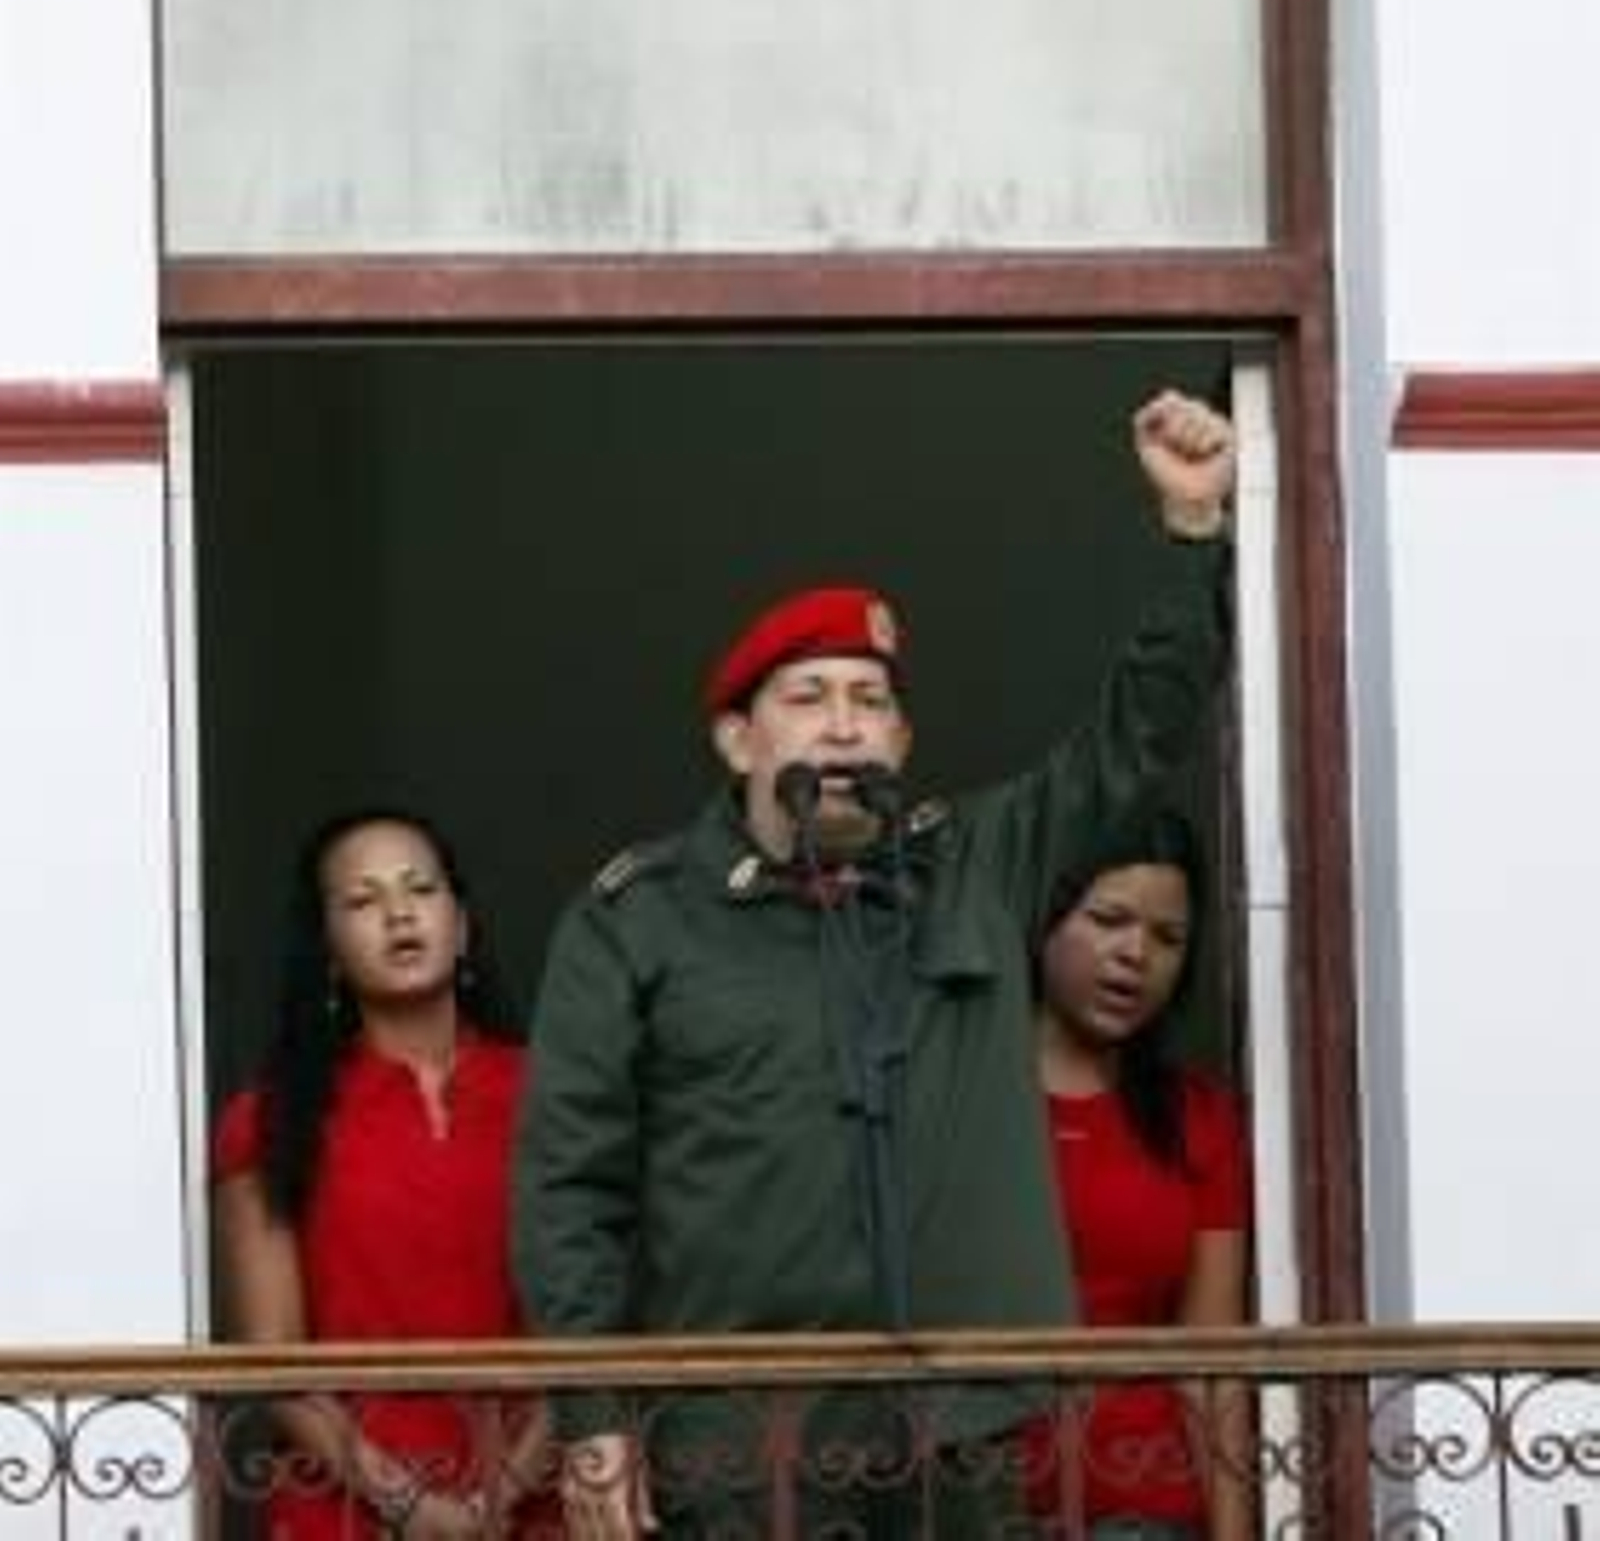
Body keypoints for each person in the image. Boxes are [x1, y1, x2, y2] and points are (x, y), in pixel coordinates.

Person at [514, 388, 1237, 1540]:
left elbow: (1137, 735)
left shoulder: (981, 864)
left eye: (870, 700)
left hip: (958, 1425)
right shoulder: (634, 919)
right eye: (807, 699)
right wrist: (593, 1410)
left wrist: (1191, 532)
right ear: (738, 738)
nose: (843, 725)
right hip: (741, 1436)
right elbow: (568, 1193)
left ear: (901, 738)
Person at [213, 808, 558, 1541]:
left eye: (420, 889)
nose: (399, 914)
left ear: (461, 926)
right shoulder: (267, 1120)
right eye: (362, 901)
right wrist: (406, 1504)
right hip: (346, 1509)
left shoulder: (556, 1098)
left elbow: (596, 1314)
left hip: (539, 1501)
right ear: (329, 952)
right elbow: (276, 1363)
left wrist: (506, 1493)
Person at [1024, 808, 1253, 1540]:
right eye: (1109, 919)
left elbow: (1212, 1363)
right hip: (969, 1501)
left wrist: (1236, 1531)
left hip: (1145, 1510)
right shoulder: (955, 1102)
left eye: (1167, 938)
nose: (1135, 955)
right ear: (1044, 919)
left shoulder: (1201, 1119)